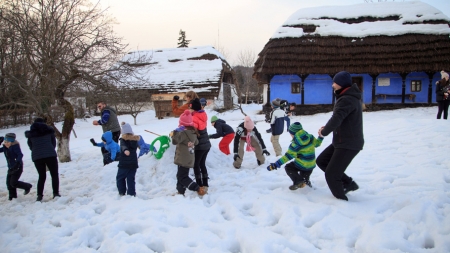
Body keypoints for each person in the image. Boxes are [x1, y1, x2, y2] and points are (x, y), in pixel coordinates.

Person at [317, 71, 364, 201]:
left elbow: (336, 118)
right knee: (322, 161)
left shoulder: (346, 99)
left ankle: (341, 201)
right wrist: (326, 128)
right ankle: (348, 183)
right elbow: (341, 119)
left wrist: (324, 131)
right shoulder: (346, 97)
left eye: (335, 82)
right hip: (341, 141)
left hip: (349, 143)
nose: (333, 85)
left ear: (341, 84)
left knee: (331, 175)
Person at [267, 122, 324, 190]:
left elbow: (287, 157)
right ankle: (308, 187)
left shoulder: (296, 144)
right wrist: (320, 137)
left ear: (293, 134)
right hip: (311, 165)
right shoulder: (310, 137)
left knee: (289, 167)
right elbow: (317, 144)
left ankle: (298, 181)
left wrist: (276, 164)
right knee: (305, 179)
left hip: (301, 164)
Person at [170, 110, 206, 196]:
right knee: (180, 176)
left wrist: (174, 133)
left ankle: (197, 188)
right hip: (189, 158)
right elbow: (196, 142)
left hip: (183, 159)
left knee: (182, 177)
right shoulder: (193, 132)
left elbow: (175, 141)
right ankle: (180, 192)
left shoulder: (183, 133)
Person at [25, 118, 60, 202]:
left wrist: (38, 152)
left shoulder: (31, 135)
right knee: (54, 175)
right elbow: (53, 144)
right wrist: (49, 150)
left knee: (41, 176)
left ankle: (39, 195)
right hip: (50, 155)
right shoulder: (49, 131)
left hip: (37, 157)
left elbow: (31, 146)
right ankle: (55, 193)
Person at [0, 133, 32, 201]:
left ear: (12, 142)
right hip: (10, 167)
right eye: (5, 142)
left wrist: (17, 162)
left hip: (17, 167)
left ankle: (27, 186)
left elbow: (20, 155)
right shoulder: (5, 148)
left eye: (8, 142)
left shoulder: (15, 146)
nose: (6, 143)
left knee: (13, 183)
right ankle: (12, 197)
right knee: (9, 183)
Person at [189, 98, 212, 192]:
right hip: (206, 144)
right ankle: (205, 183)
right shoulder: (202, 114)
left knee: (196, 164)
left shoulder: (194, 117)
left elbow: (193, 132)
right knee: (202, 164)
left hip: (200, 145)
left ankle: (199, 184)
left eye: (190, 107)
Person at [116, 122, 140, 196]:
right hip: (133, 164)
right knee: (130, 179)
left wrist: (125, 150)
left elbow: (123, 146)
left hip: (124, 164)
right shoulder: (135, 140)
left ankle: (122, 192)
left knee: (120, 178)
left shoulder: (123, 140)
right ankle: (131, 193)